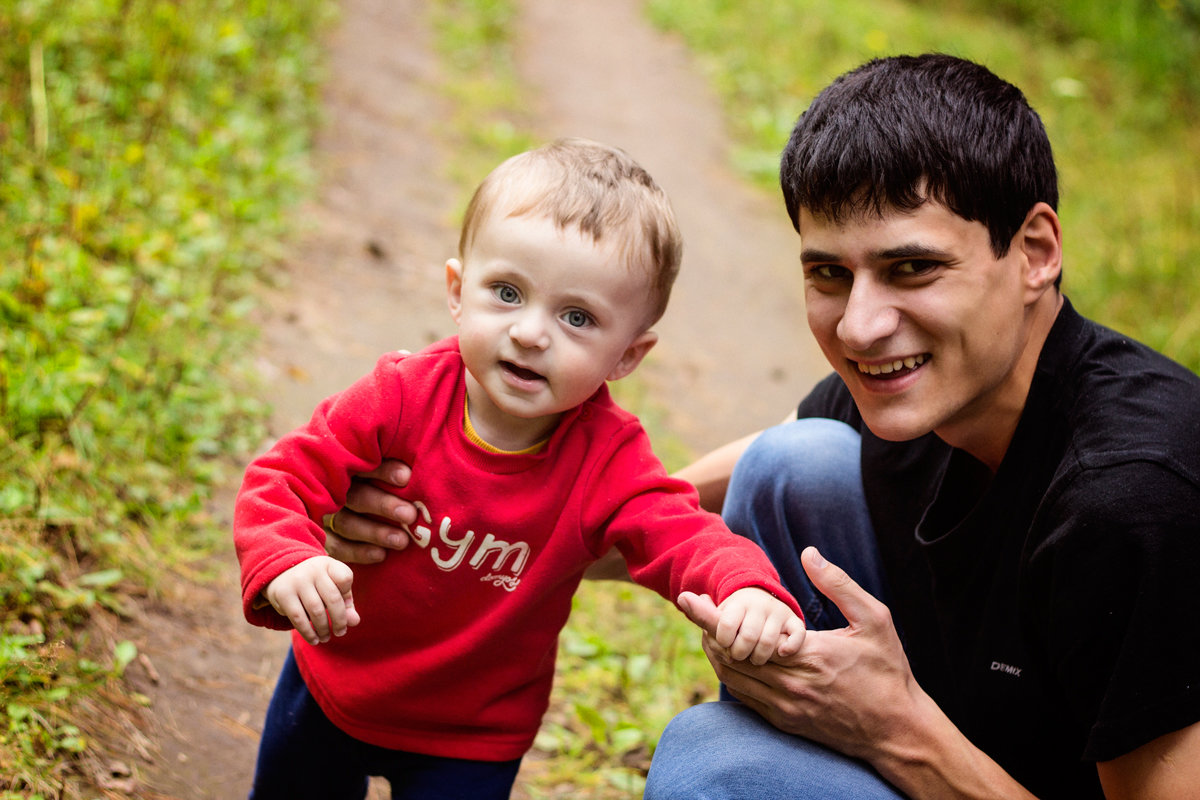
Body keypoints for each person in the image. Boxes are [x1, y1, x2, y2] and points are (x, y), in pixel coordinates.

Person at [328, 55, 1200, 798]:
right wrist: (441, 520)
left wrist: (897, 733)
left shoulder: (1129, 502)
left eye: (912, 267)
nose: (859, 326)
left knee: (719, 768)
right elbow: (649, 513)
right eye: (829, 272)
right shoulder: (944, 383)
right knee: (797, 462)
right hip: (969, 735)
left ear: (1037, 252)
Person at [233, 138, 805, 800]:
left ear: (627, 354)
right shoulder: (401, 395)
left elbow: (680, 531)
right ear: (457, 291)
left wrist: (745, 588)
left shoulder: (609, 457)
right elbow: (282, 477)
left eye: (577, 317)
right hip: (336, 684)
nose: (532, 333)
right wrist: (286, 558)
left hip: (474, 733)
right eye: (507, 292)